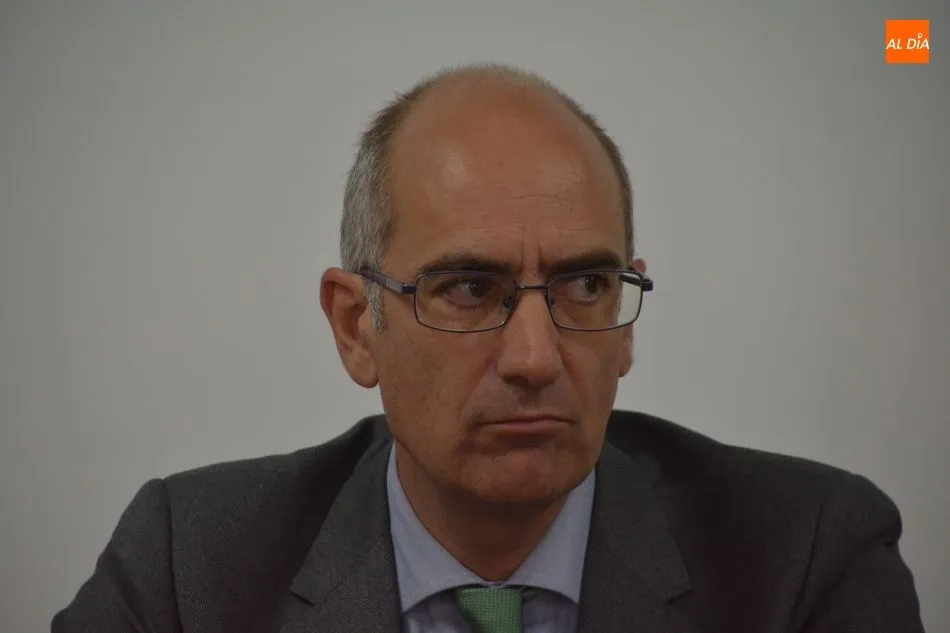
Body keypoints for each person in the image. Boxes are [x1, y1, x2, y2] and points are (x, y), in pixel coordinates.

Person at [52, 63, 925, 633]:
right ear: (357, 326)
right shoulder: (189, 567)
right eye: (469, 289)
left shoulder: (804, 557)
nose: (535, 358)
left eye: (586, 286)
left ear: (626, 323)